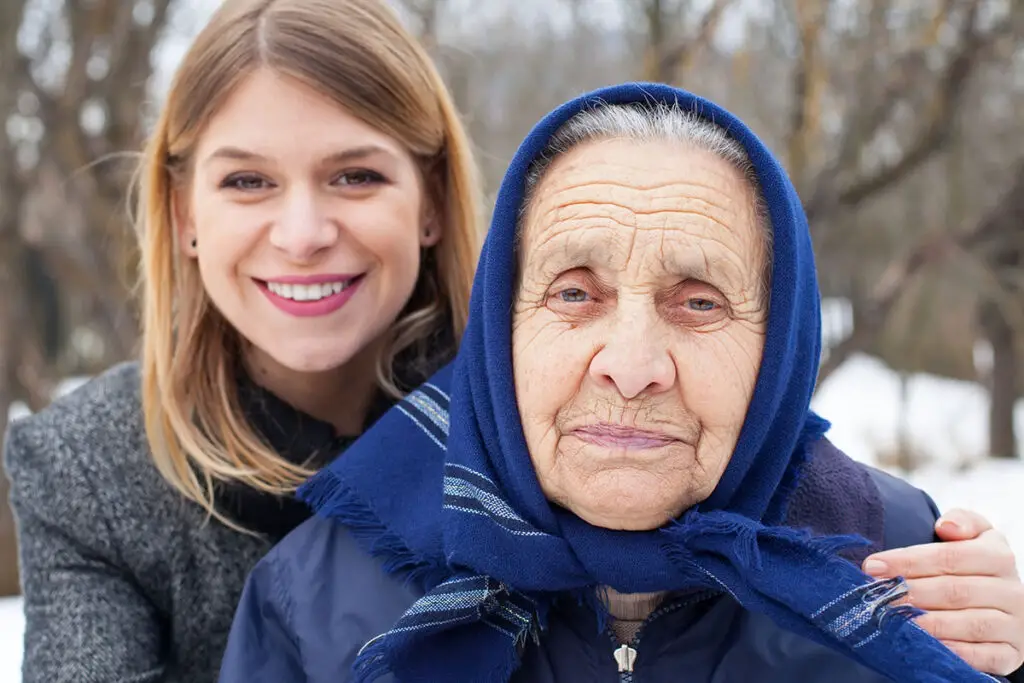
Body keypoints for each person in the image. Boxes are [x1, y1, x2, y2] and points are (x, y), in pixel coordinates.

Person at [218, 83, 1024, 683]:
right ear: (502, 331)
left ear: (778, 348)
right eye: (575, 294)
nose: (632, 364)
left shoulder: (895, 562)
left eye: (699, 301)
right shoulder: (312, 600)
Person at [2, 1, 481, 681]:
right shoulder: (90, 471)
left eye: (355, 175)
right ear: (184, 212)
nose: (302, 233)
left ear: (430, 201)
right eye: (248, 181)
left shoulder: (543, 424)